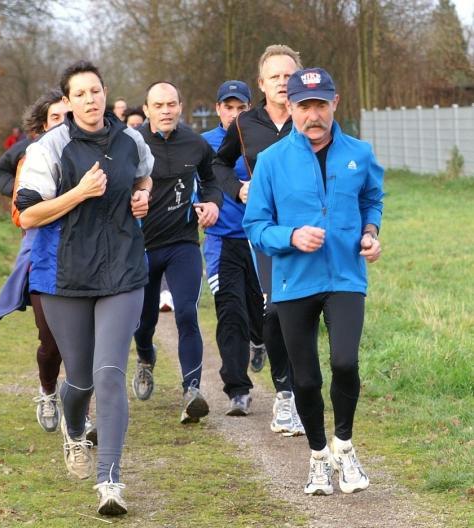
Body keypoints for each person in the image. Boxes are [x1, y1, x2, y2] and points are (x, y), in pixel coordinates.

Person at [16, 60, 154, 516]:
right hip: (64, 277)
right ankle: (75, 432)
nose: (91, 100)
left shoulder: (131, 139)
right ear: (68, 102)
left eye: (96, 91)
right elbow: (29, 215)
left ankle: (109, 481)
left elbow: (144, 174)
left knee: (109, 373)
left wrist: (142, 194)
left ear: (104, 92)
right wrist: (78, 192)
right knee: (78, 379)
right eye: (81, 94)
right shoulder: (48, 149)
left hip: (122, 270)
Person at [243, 67, 384, 495]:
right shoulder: (271, 162)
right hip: (293, 282)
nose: (313, 115)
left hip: (345, 276)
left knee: (344, 362)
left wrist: (371, 233)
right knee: (305, 379)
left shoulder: (359, 151)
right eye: (304, 106)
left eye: (321, 104)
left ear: (335, 103)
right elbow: (256, 226)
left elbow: (371, 198)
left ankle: (345, 446)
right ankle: (319, 456)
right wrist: (290, 236)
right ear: (291, 108)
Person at [213, 44, 305, 435]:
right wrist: (237, 189)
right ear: (262, 83)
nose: (283, 83)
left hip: (310, 231)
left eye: (289, 76)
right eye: (275, 77)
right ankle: (286, 395)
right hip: (266, 231)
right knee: (275, 311)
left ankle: (303, 392)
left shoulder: (312, 116)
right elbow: (218, 163)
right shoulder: (244, 124)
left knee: (305, 312)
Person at [0, 90, 81, 435]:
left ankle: (80, 414)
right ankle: (47, 391)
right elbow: (21, 215)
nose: (63, 125)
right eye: (55, 118)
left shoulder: (91, 155)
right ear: (42, 126)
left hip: (83, 256)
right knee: (51, 341)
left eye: (67, 118)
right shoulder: (31, 158)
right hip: (42, 252)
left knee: (81, 341)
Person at [131, 81, 223, 424]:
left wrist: (212, 203)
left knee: (186, 312)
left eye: (172, 104)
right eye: (159, 105)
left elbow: (212, 181)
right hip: (141, 245)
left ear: (180, 107)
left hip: (183, 243)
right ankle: (145, 358)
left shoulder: (195, 144)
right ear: (147, 109)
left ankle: (192, 391)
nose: (166, 110)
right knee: (144, 321)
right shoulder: (131, 144)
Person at [201, 80, 265, 416]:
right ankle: (237, 388)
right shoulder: (204, 145)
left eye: (241, 108)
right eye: (229, 107)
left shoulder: (260, 139)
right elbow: (191, 184)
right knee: (230, 312)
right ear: (218, 109)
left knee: (261, 313)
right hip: (221, 242)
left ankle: (260, 340)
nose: (234, 114)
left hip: (259, 241)